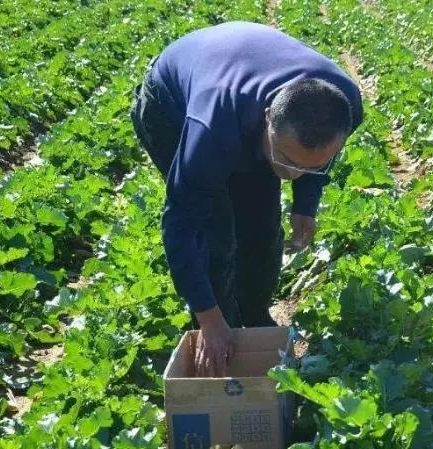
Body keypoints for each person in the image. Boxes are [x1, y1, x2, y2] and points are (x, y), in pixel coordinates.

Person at [130, 21, 364, 377]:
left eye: (309, 168)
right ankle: (218, 331)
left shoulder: (343, 104)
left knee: (261, 222)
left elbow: (309, 153)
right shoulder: (212, 128)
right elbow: (181, 222)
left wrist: (305, 204)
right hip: (171, 105)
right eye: (285, 159)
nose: (294, 174)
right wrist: (208, 316)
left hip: (242, 89)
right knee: (217, 229)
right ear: (268, 119)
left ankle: (253, 316)